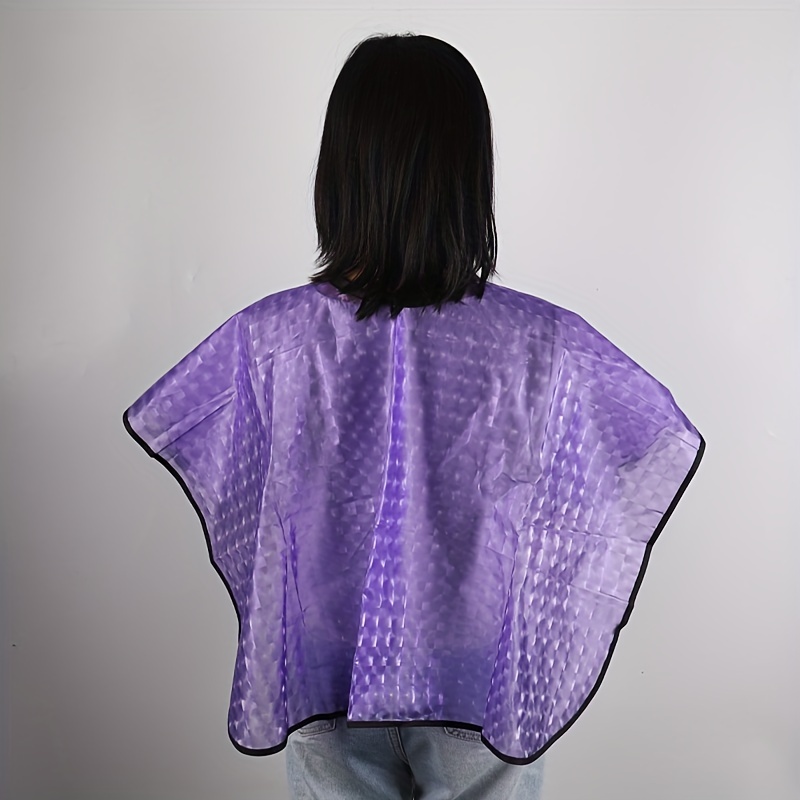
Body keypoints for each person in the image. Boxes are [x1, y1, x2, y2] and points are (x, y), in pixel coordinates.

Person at [123, 30, 703, 800]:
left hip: (329, 665)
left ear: (339, 171)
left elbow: (228, 477)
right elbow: (645, 445)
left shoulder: (270, 342)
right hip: (476, 671)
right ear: (470, 174)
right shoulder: (543, 345)